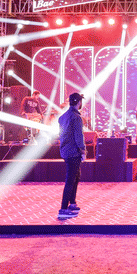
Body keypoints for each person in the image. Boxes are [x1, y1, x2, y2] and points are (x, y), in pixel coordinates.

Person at [57, 92, 86, 220]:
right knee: (70, 179)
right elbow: (79, 137)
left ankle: (72, 203)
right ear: (79, 103)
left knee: (75, 176)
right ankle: (63, 208)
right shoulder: (76, 117)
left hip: (65, 151)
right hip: (74, 152)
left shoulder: (63, 117)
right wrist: (83, 151)